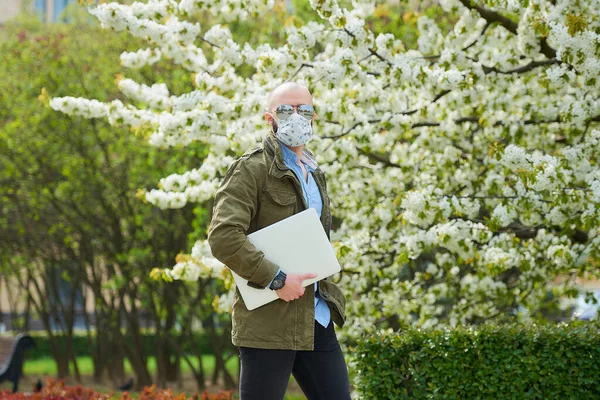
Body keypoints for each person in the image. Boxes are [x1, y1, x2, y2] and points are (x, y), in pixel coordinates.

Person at [207, 82, 351, 400]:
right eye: (286, 110)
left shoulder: (315, 173)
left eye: (305, 110)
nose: (296, 117)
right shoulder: (251, 170)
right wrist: (277, 278)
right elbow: (223, 237)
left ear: (314, 117)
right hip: (268, 324)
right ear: (268, 118)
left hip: (316, 316)